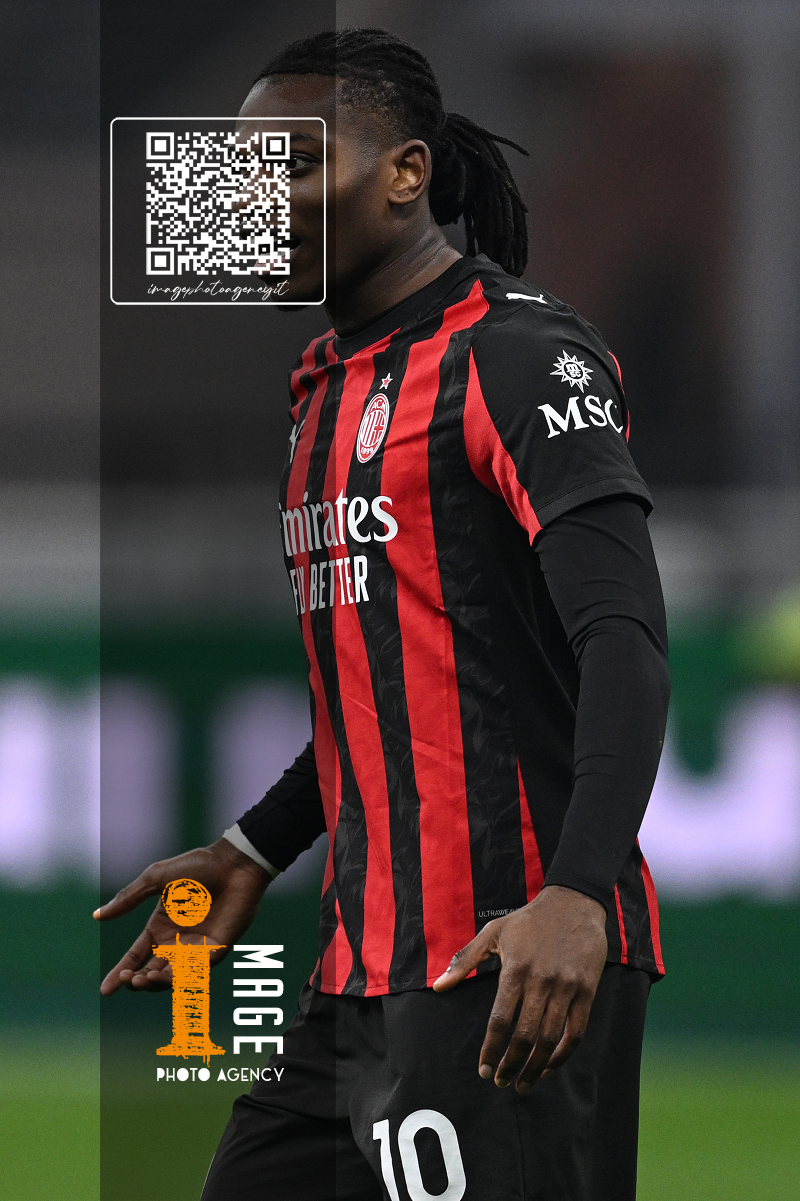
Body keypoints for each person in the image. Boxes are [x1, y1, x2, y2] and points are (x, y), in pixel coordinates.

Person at [96, 28, 670, 1201]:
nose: (256, 199)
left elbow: (622, 639)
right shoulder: (323, 390)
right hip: (358, 969)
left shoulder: (517, 354)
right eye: (241, 175)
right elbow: (396, 687)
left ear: (405, 173)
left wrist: (574, 895)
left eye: (295, 165)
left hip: (503, 955)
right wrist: (254, 846)